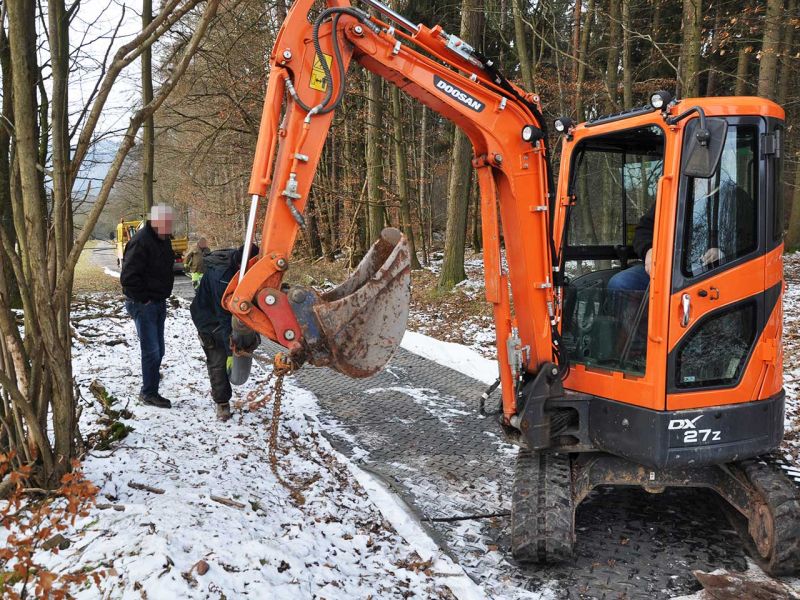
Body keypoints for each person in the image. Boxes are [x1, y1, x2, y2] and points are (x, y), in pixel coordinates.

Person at [190, 244, 258, 422]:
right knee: (217, 359)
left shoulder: (246, 270)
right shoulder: (222, 276)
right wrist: (230, 351)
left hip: (227, 315)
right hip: (208, 319)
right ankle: (222, 403)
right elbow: (224, 315)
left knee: (239, 344)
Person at [120, 205, 176, 409]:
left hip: (158, 301)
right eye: (167, 223)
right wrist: (144, 299)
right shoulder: (140, 242)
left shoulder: (163, 239)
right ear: (156, 221)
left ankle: (151, 377)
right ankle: (148, 392)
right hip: (143, 304)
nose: (170, 228)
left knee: (159, 350)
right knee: (151, 350)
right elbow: (127, 277)